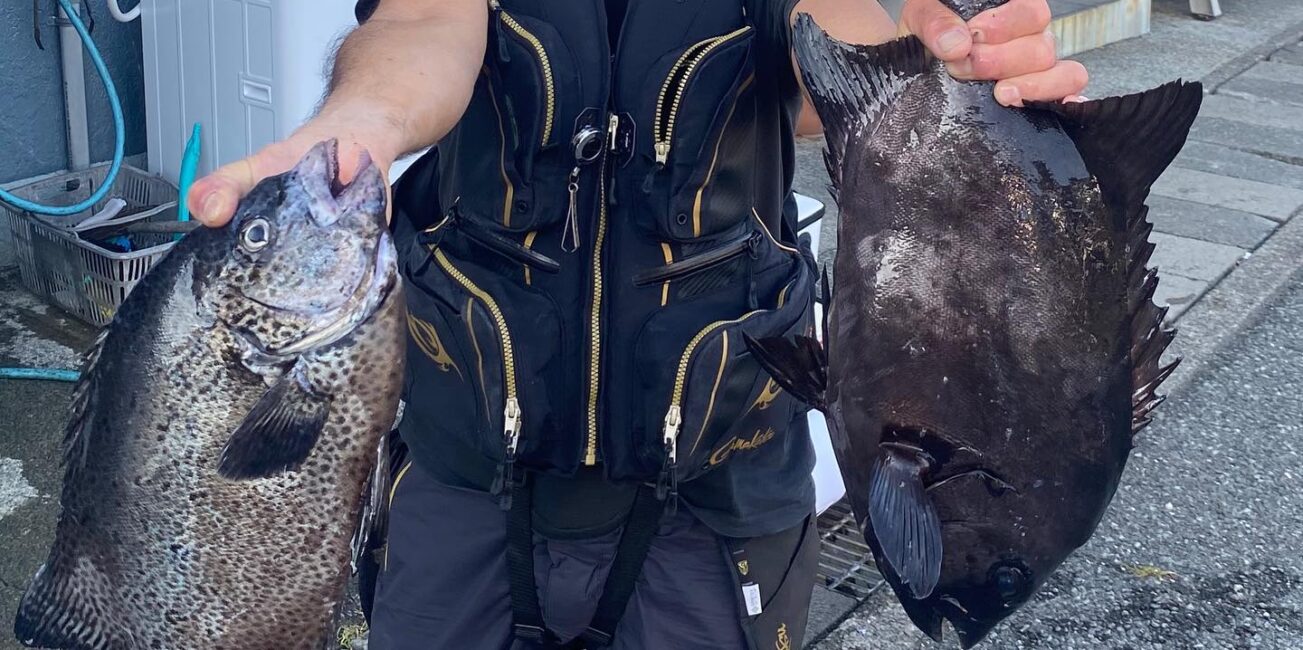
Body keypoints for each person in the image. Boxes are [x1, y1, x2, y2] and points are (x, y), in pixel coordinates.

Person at [189, 0, 1087, 648]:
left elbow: (834, 53)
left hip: (716, 492)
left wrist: (948, 63)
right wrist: (358, 128)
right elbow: (425, 20)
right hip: (466, 471)